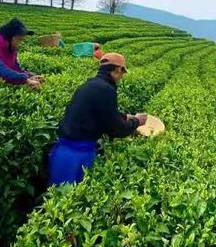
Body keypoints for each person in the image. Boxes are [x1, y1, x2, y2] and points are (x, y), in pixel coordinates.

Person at [47, 52, 148, 185]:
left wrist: (125, 116)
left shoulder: (89, 85)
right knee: (71, 196)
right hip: (78, 154)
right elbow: (118, 129)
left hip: (62, 152)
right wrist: (137, 121)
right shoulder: (107, 90)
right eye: (122, 74)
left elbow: (100, 112)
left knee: (57, 197)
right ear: (118, 70)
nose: (121, 79)